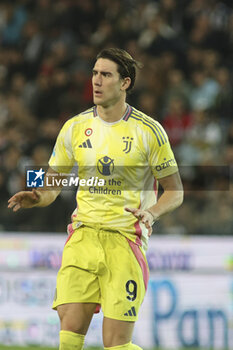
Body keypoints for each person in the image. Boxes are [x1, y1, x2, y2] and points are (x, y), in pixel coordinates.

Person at [8, 48, 183, 350]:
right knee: (69, 336)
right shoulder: (74, 128)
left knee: (115, 344)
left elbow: (176, 191)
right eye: (94, 73)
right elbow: (53, 183)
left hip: (125, 239)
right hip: (83, 237)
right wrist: (38, 195)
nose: (96, 81)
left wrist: (151, 213)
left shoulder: (148, 131)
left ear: (125, 83)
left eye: (105, 75)